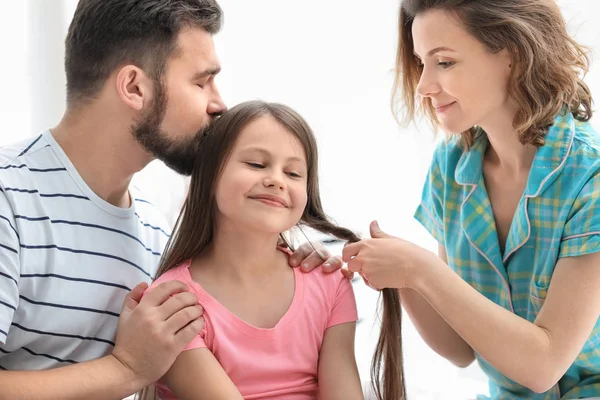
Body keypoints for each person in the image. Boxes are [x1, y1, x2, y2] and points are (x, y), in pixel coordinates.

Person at [0, 1, 339, 399]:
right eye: (201, 82)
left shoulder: (154, 232)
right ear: (134, 87)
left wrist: (292, 266)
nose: (220, 105)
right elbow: (132, 368)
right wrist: (125, 370)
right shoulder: (9, 198)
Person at [340, 0, 600, 399]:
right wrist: (399, 276)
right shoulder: (451, 167)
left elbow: (543, 364)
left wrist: (422, 269)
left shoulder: (590, 177)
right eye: (421, 63)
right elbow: (459, 349)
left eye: (443, 62)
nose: (424, 85)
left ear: (512, 54)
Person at [137, 100, 404, 400]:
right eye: (256, 164)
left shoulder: (329, 285)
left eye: (293, 173)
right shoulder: (174, 301)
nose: (276, 180)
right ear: (210, 176)